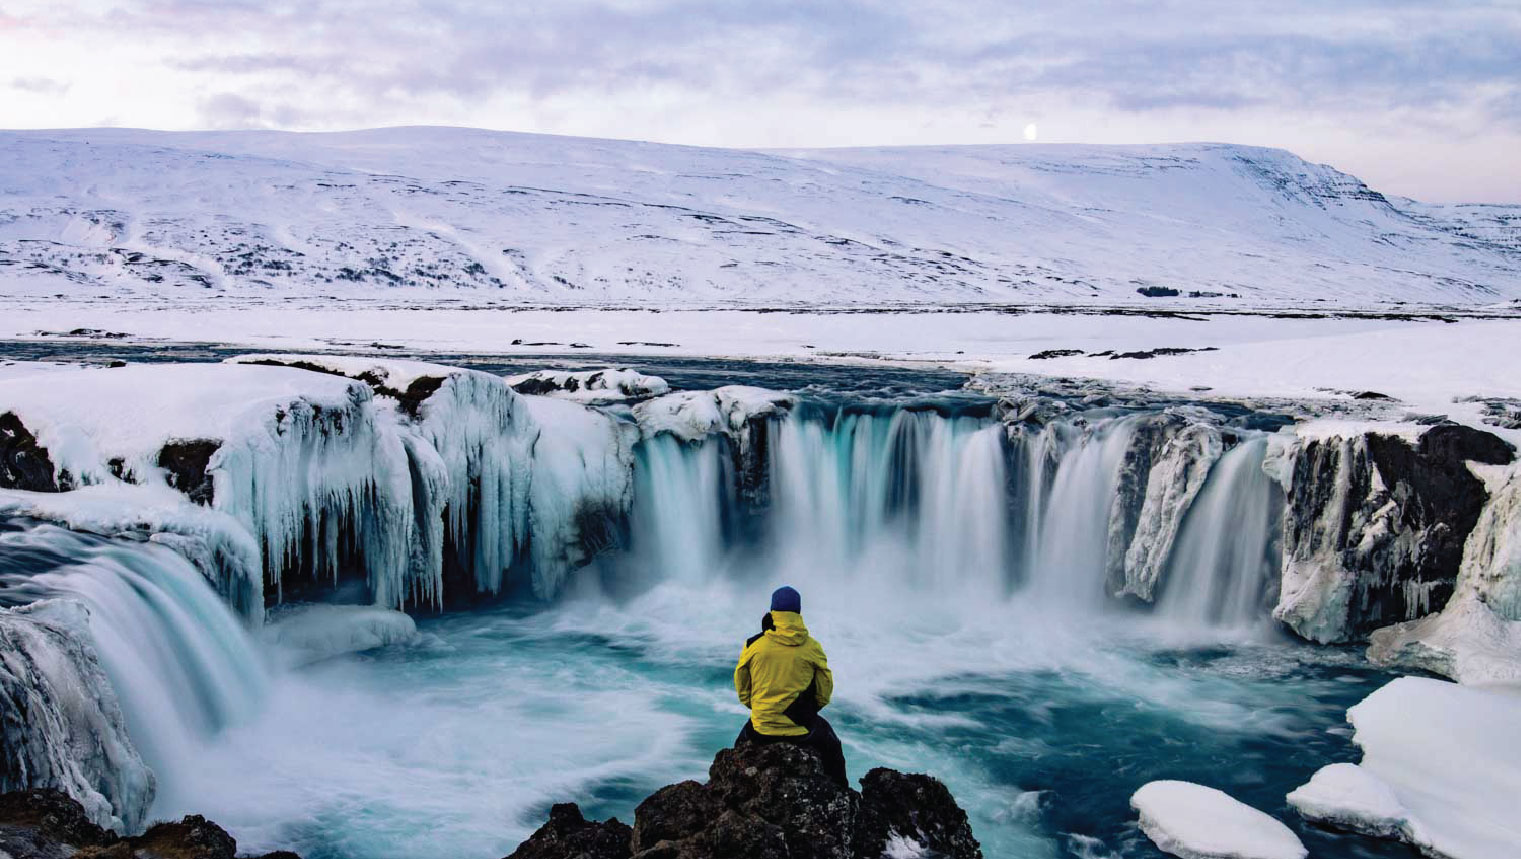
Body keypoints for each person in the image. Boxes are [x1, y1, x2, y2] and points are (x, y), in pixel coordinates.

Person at [733, 585, 848, 786]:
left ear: (772, 611)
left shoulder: (753, 645)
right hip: (801, 732)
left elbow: (742, 684)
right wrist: (809, 710)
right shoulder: (812, 647)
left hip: (762, 729)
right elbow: (825, 690)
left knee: (737, 750)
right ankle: (842, 792)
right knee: (833, 748)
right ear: (798, 612)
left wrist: (759, 706)